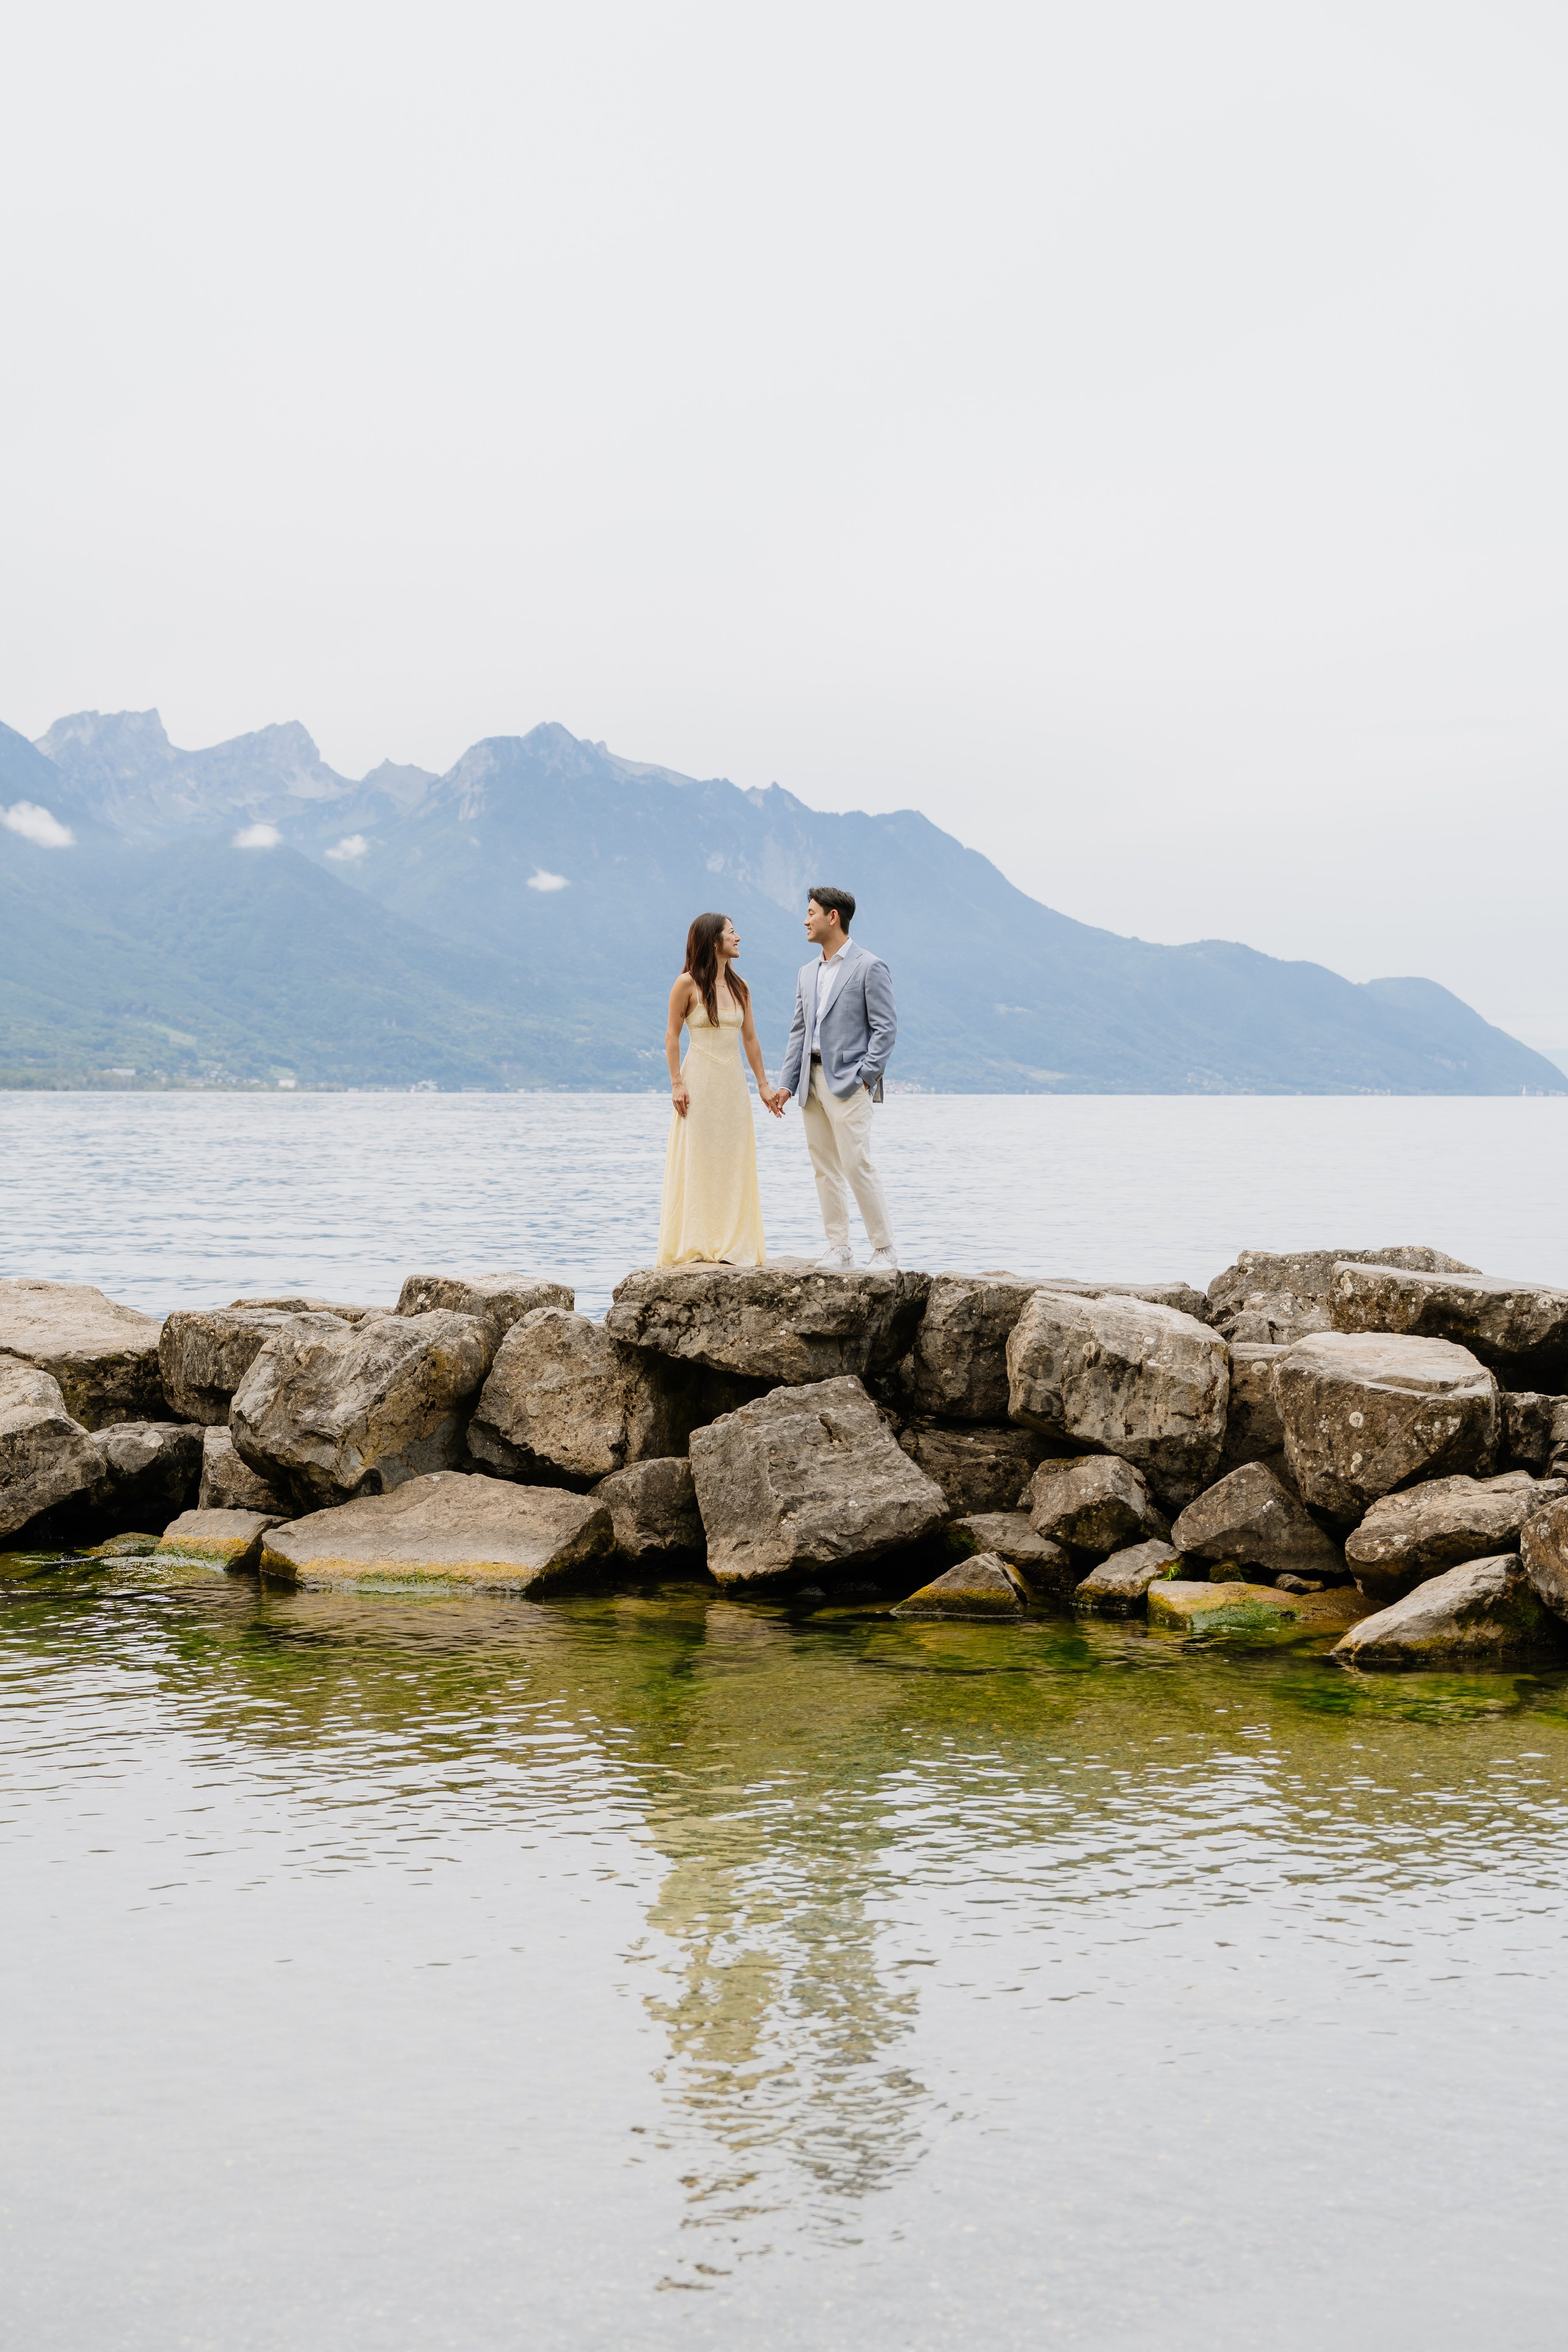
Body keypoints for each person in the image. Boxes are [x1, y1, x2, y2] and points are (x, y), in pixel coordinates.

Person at [777, 886, 899, 1270]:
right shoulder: (806, 972)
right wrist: (786, 1082)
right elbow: (799, 1031)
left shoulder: (869, 966)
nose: (805, 919)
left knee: (856, 1163)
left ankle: (884, 1249)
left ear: (833, 917)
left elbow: (886, 1029)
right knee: (823, 1165)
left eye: (811, 912)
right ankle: (839, 1247)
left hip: (849, 1082)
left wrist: (865, 1077)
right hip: (808, 1081)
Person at [656, 912, 785, 1267]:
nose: (738, 937)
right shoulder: (686, 984)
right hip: (697, 1083)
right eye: (732, 932)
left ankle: (732, 1243)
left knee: (733, 1159)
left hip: (732, 1086)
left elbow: (751, 1038)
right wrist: (677, 1083)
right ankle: (696, 1242)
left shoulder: (741, 988)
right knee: (697, 1158)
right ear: (715, 941)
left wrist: (763, 1085)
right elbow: (671, 1036)